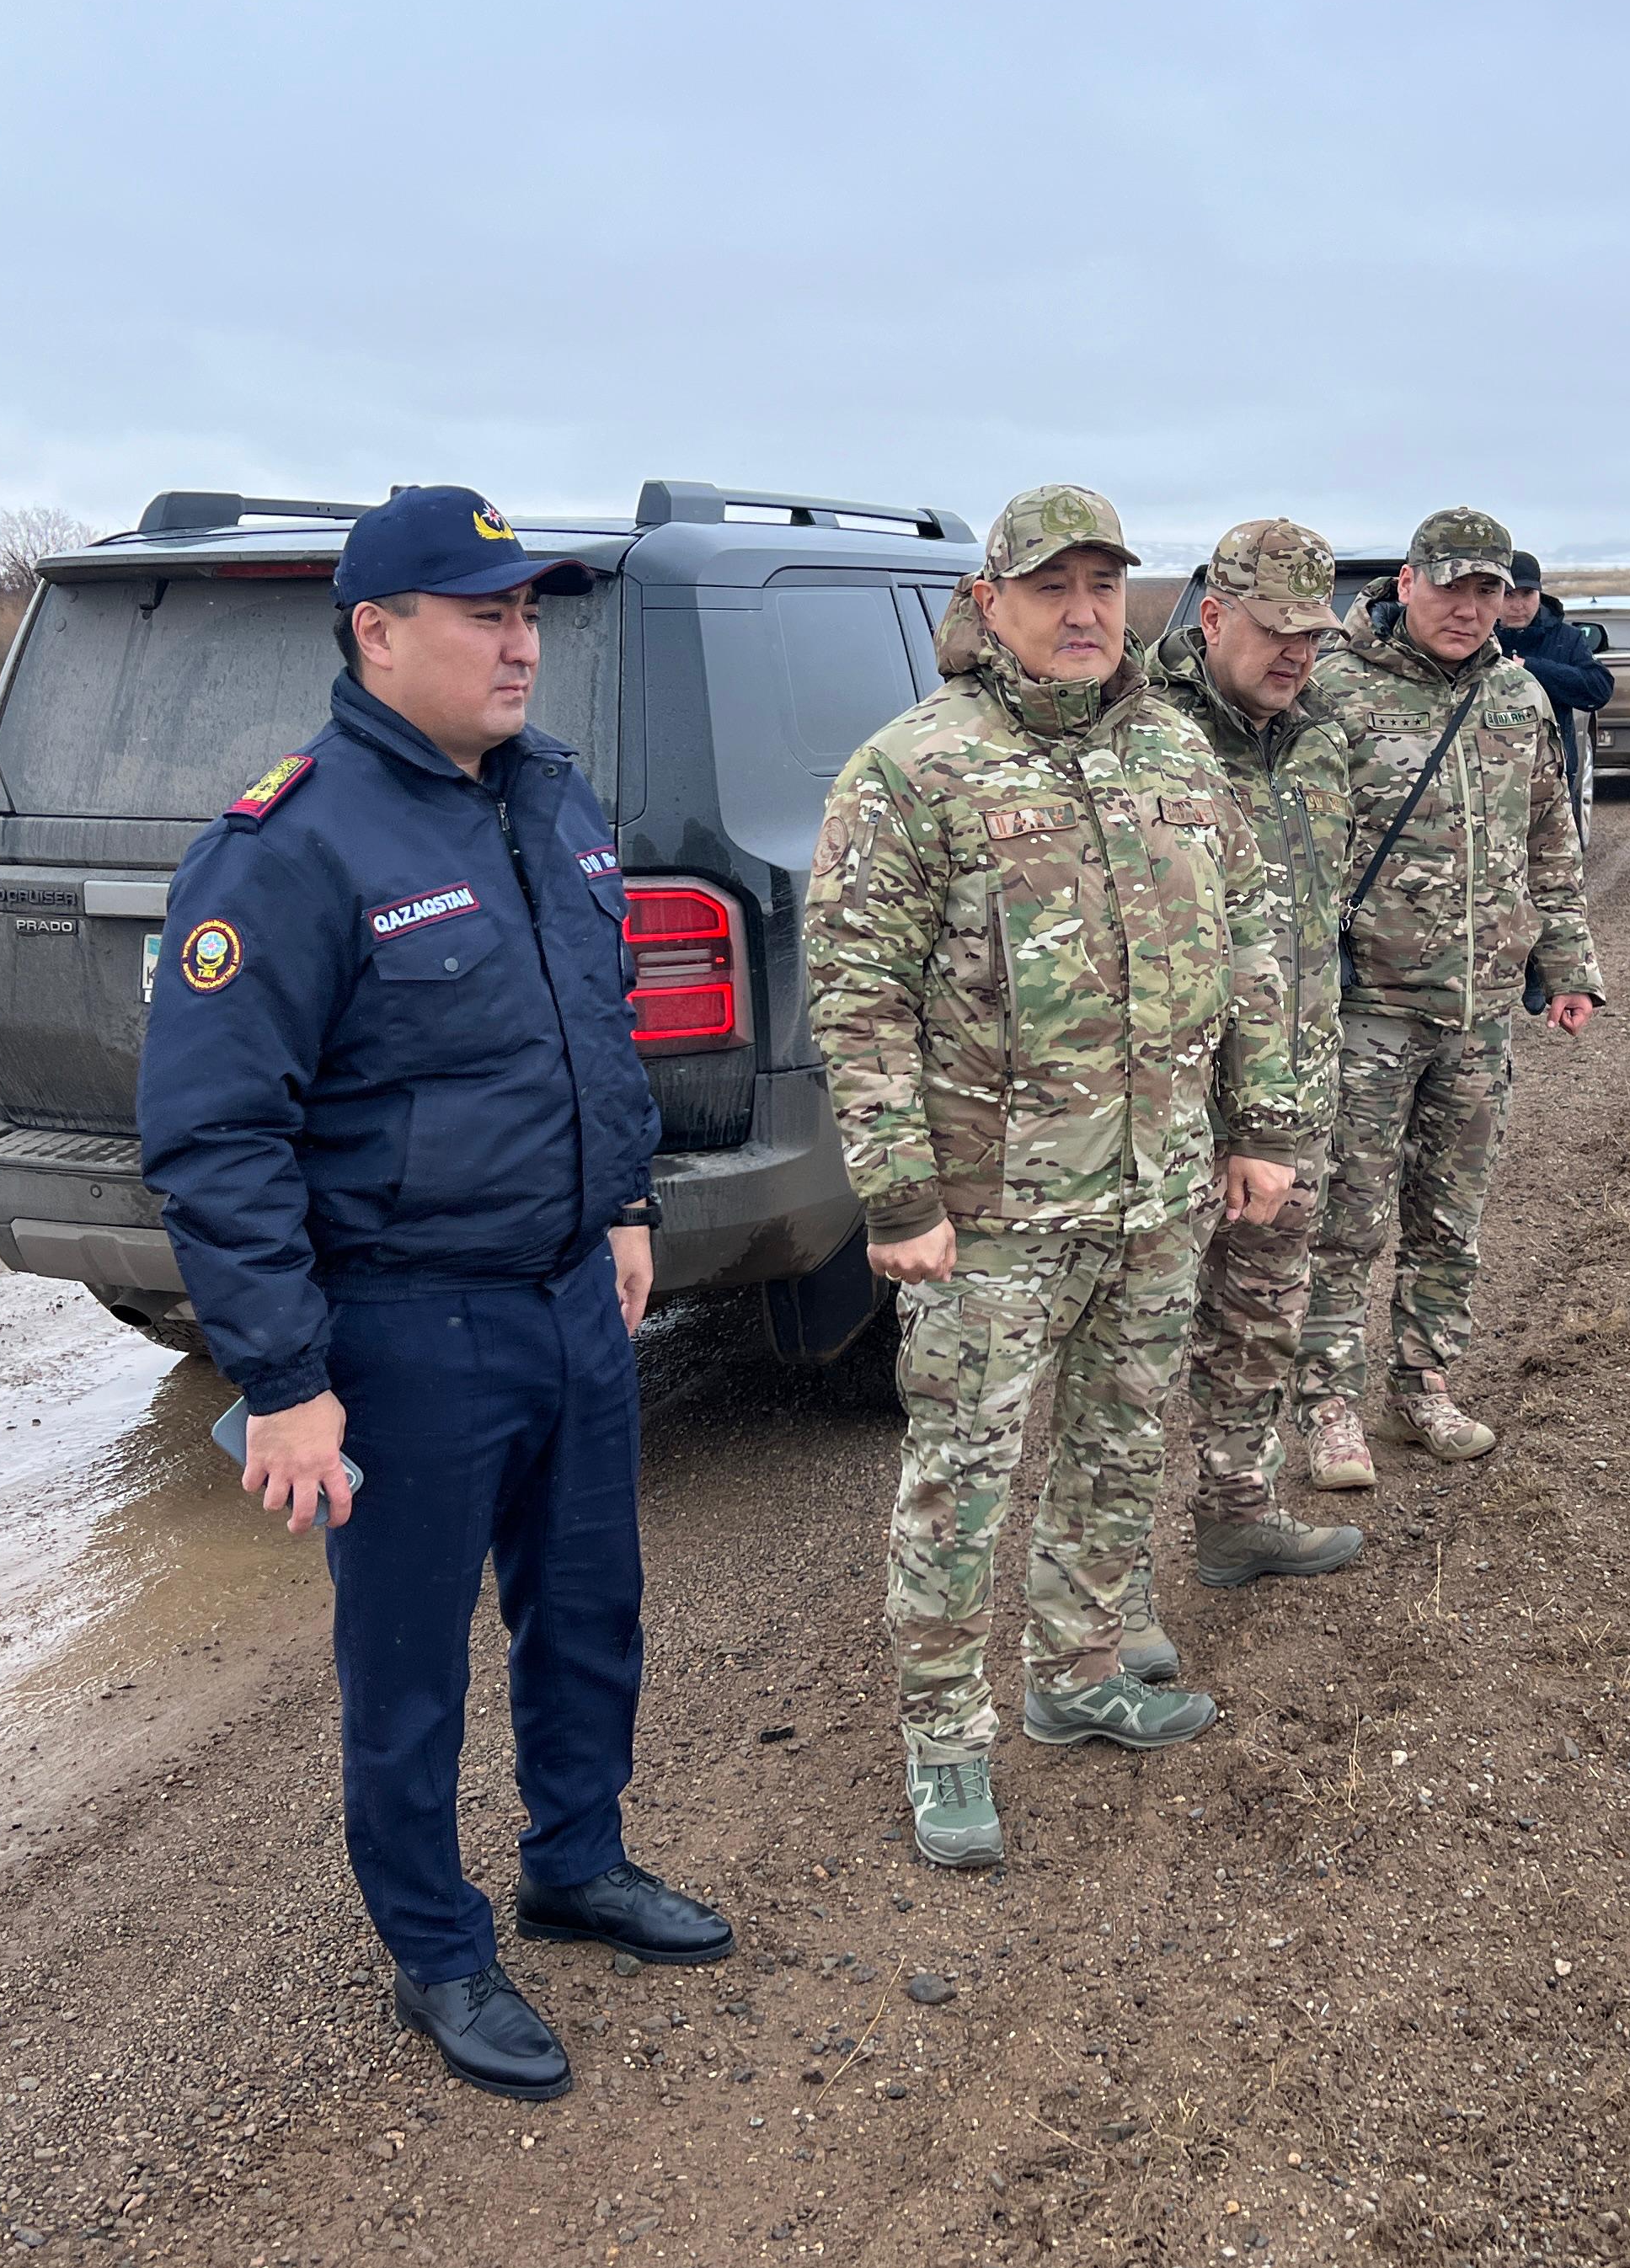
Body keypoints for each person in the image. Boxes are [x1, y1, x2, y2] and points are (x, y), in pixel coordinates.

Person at [138, 484, 729, 2108]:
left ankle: (576, 1857)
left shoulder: (548, 795)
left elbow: (591, 1026)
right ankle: (436, 1943)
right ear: (376, 631)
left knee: (589, 1607)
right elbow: (214, 1132)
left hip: (565, 1297)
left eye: (529, 610)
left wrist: (619, 1202)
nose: (520, 638)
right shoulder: (294, 842)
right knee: (407, 1665)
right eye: (484, 612)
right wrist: (281, 1376)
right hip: (403, 1326)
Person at [804, 483, 1312, 1870]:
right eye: (1051, 587)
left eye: (1104, 584)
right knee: (960, 1473)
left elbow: (1251, 946)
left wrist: (1261, 1128)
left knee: (1115, 1444)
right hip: (993, 1215)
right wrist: (899, 1196)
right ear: (989, 604)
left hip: (1157, 1193)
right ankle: (946, 1730)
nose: (1084, 611)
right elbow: (856, 1005)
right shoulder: (913, 770)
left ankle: (1078, 1666)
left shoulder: (1174, 750)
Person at [1296, 507, 1602, 1488]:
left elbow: (1550, 847)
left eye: (1489, 590)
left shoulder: (1518, 697)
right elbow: (1292, 859)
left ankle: (1423, 1383)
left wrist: (1568, 968)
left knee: (1450, 1217)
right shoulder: (1331, 690)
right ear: (1408, 583)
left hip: (1476, 1014)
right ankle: (1328, 1408)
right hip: (1367, 1011)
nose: (1471, 609)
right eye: (1453, 587)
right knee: (1343, 1216)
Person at [1129, 517, 1367, 1679]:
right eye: (1276, 631)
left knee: (1262, 1316)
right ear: (1212, 615)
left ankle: (1235, 1514)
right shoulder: (1144, 737)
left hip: (1294, 1095)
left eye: (1314, 636)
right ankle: (1109, 1599)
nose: (1296, 655)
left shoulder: (1318, 742)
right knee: (1127, 1355)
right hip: (1171, 1105)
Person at [1496, 548, 1612, 808]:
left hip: (1552, 778)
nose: (1518, 605)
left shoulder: (1566, 639)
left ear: (1539, 593)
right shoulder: (1474, 637)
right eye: (1508, 594)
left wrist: (1530, 668)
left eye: (1527, 594)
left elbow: (1599, 689)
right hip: (1489, 778)